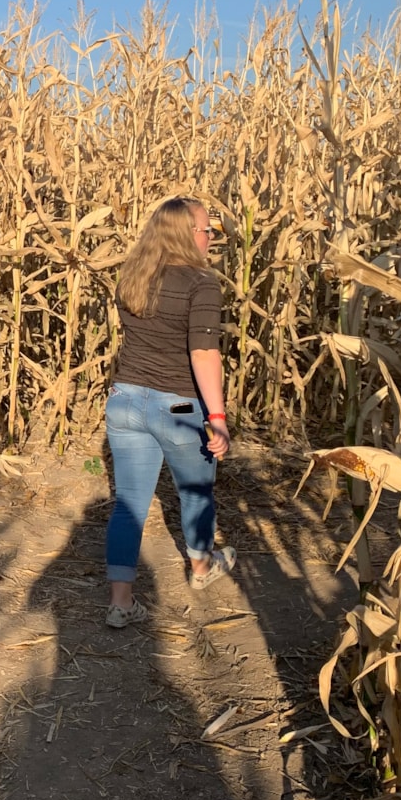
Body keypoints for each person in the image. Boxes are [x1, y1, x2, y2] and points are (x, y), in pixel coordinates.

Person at [105, 196, 235, 627]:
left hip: (125, 399)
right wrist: (217, 418)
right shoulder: (201, 283)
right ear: (186, 234)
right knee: (195, 491)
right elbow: (204, 353)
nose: (211, 237)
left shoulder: (134, 275)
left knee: (128, 504)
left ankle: (120, 603)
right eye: (206, 230)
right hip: (177, 405)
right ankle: (201, 566)